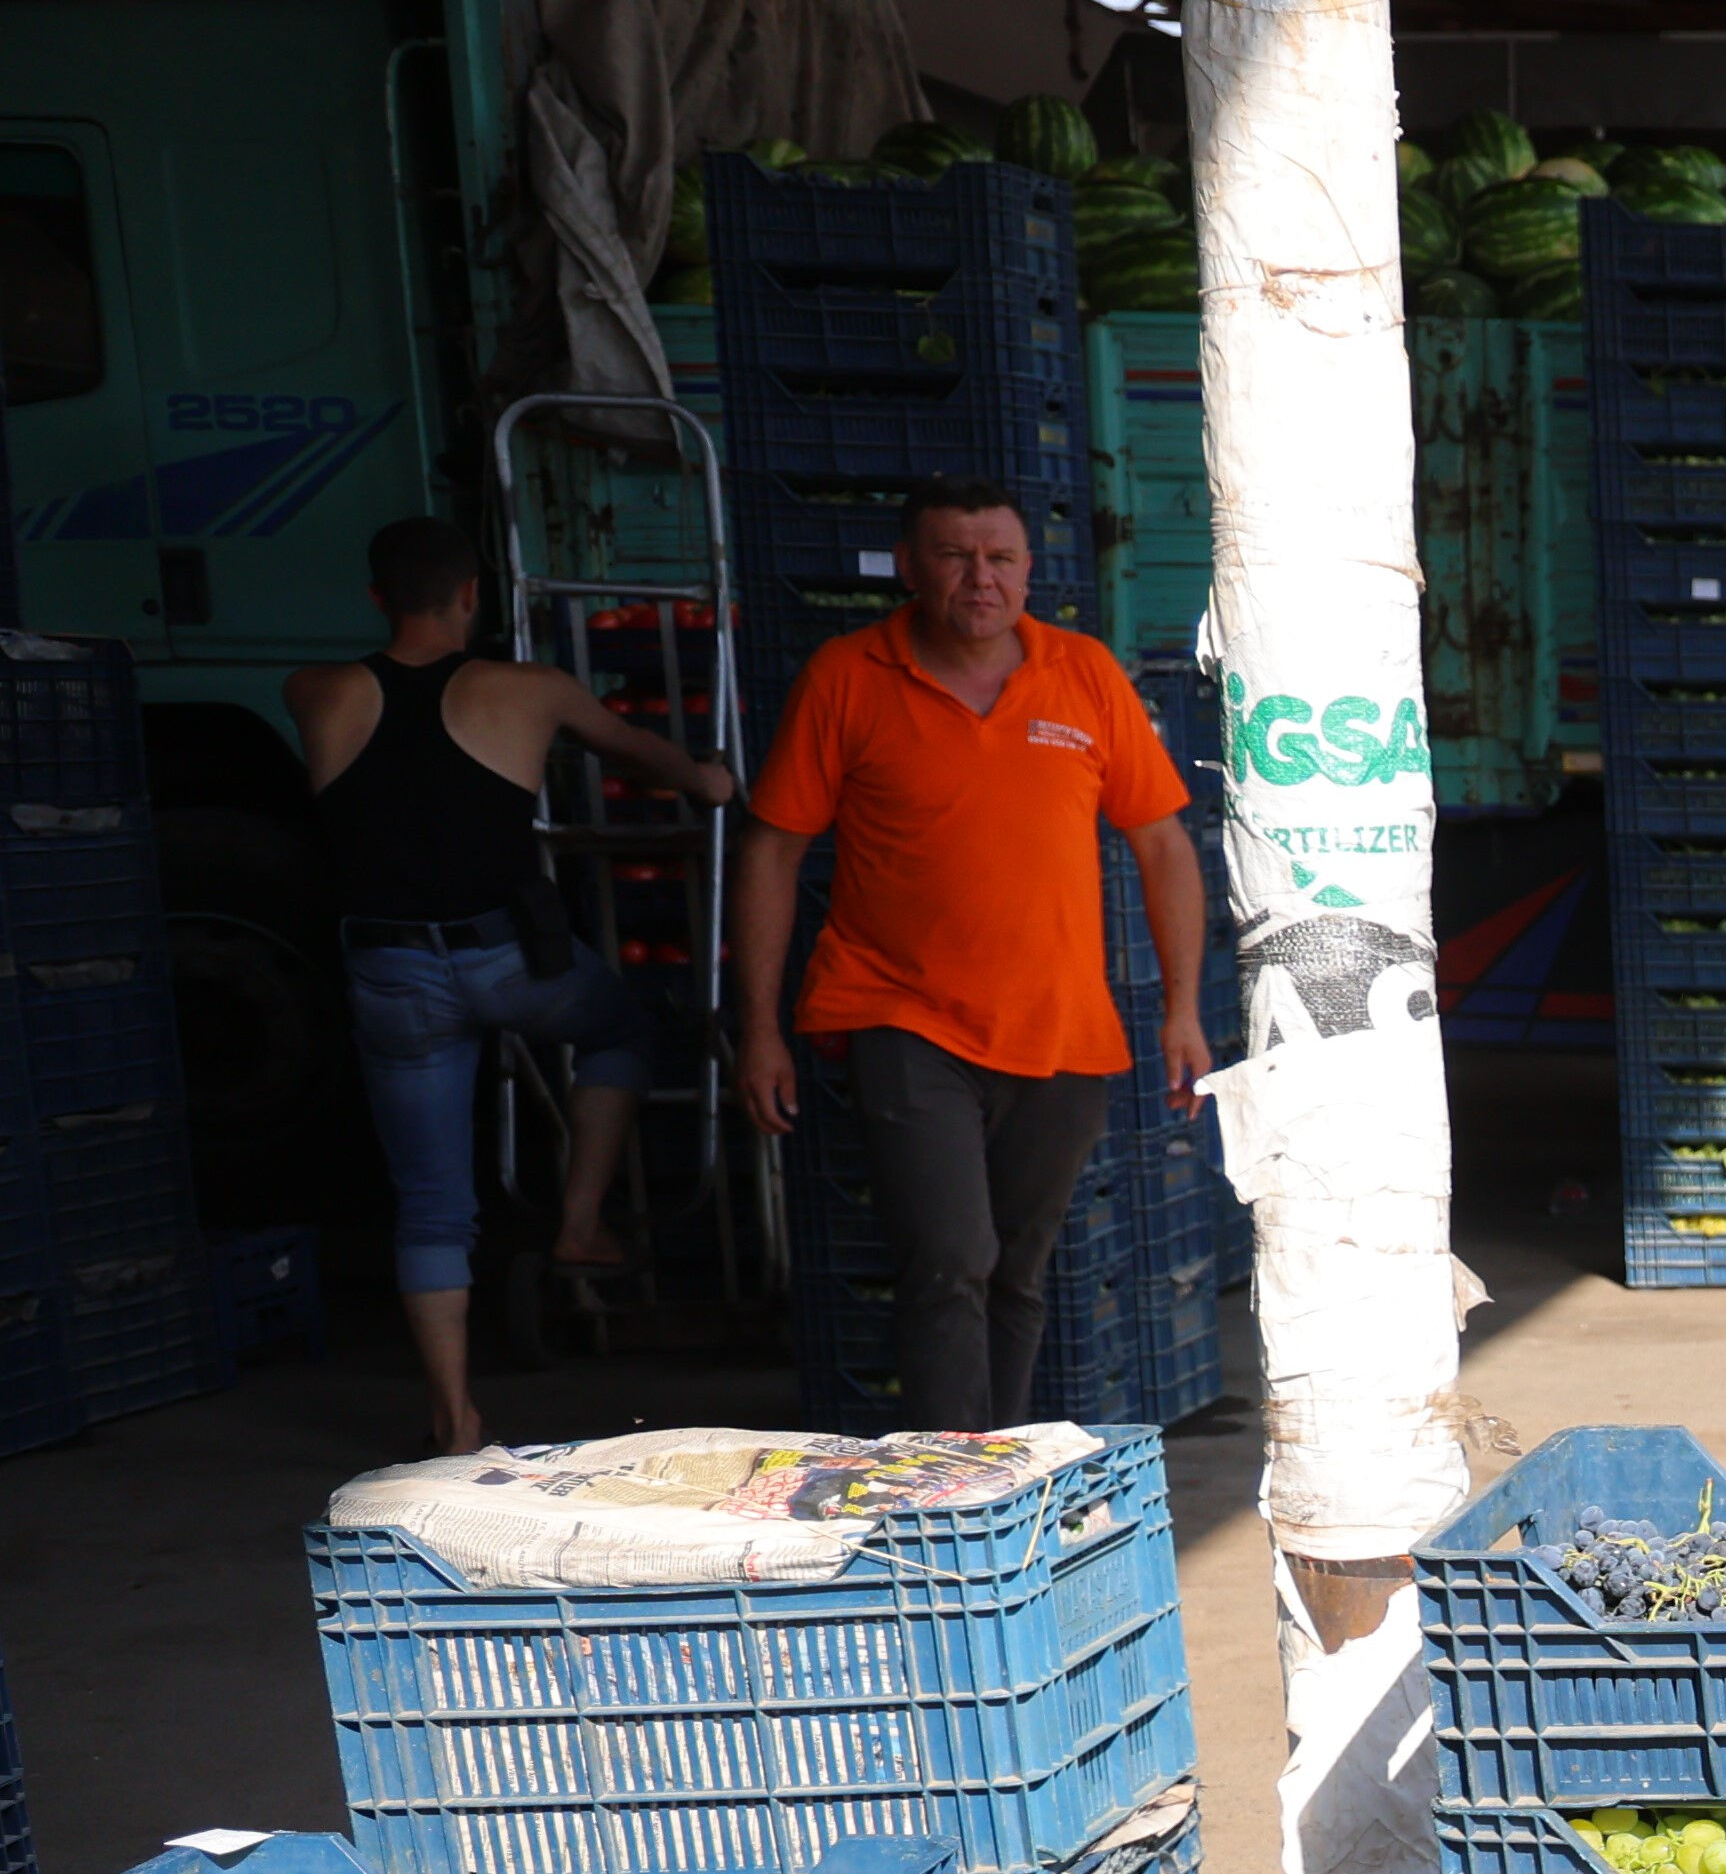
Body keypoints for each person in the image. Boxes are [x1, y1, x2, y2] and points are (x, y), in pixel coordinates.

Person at [729, 477, 1203, 1430]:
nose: (978, 578)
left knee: (1019, 1272)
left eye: (999, 558)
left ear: (1030, 571)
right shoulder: (847, 675)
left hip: (1062, 1027)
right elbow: (772, 851)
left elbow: (1162, 843)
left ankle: (998, 1474)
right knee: (951, 1260)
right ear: (908, 568)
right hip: (900, 1014)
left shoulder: (1084, 673)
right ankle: (950, 1498)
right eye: (953, 556)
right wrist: (758, 1031)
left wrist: (1182, 1007)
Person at [284, 517, 734, 1456]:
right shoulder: (531, 691)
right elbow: (638, 753)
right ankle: (579, 1221)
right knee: (622, 1031)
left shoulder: (314, 691)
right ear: (473, 597)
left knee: (432, 1202)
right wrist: (709, 780)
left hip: (392, 973)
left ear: (376, 598)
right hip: (511, 963)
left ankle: (454, 1419)